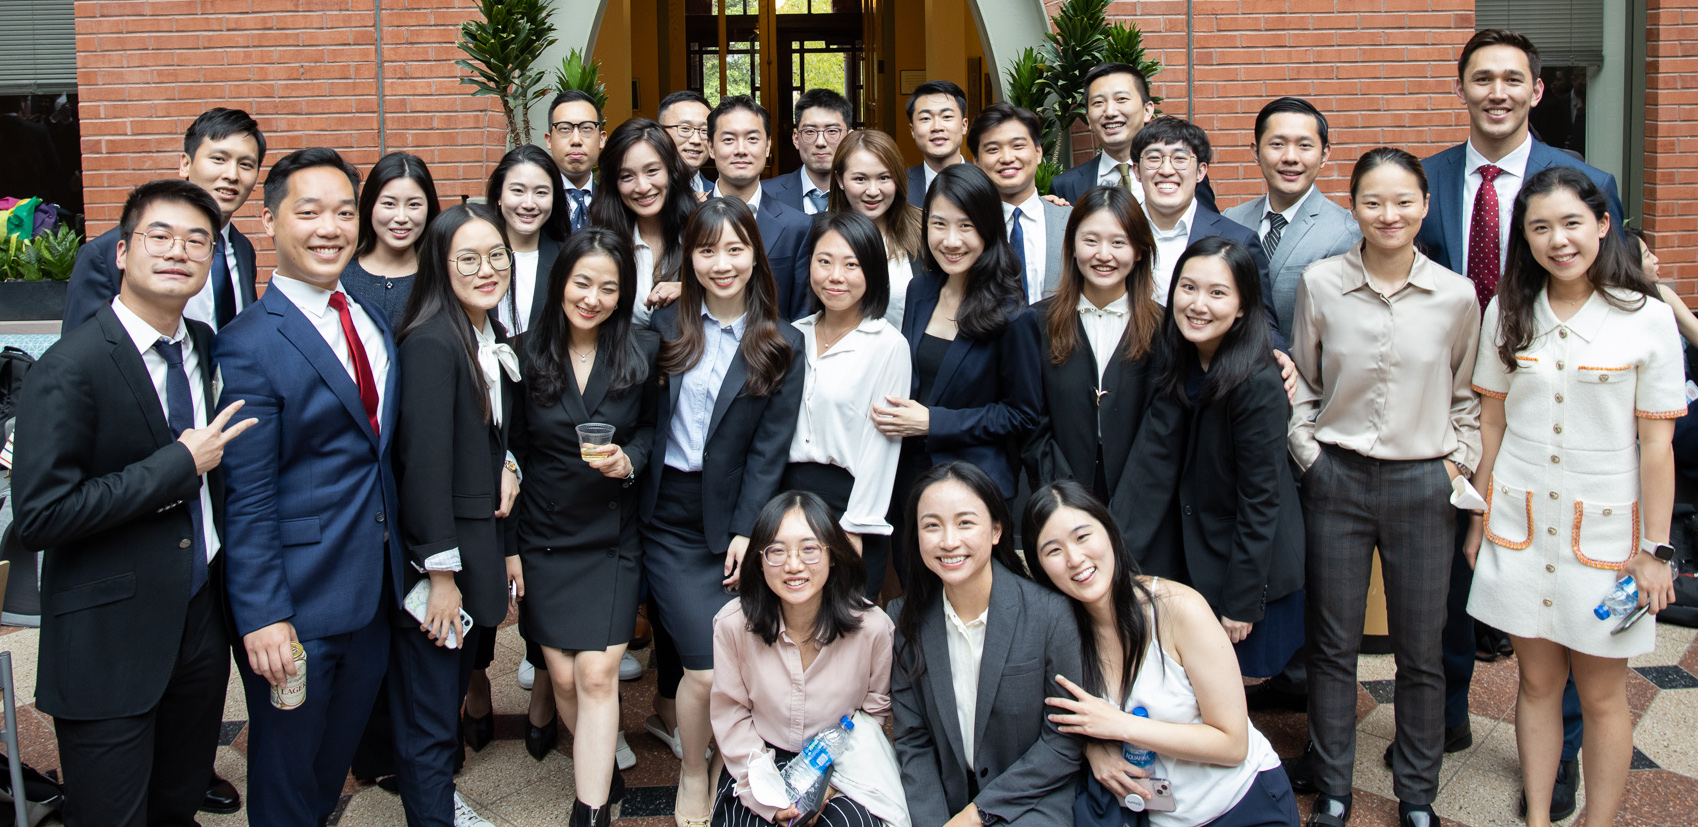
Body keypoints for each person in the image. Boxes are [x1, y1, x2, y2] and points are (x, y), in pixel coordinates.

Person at [1415, 33, 1625, 813]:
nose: (1496, 91)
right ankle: (1446, 718)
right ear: (1462, 87)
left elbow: (1610, 291)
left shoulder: (1586, 181)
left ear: (1537, 90)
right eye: (1481, 78)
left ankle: (1561, 753)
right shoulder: (1427, 178)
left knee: (1562, 599)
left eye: (1512, 79)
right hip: (1443, 413)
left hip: (1546, 421)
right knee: (1445, 576)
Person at [11, 180, 258, 827]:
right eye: (160, 235)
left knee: (176, 805)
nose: (179, 250)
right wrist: (176, 465)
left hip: (198, 624)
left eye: (196, 240)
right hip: (108, 641)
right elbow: (39, 514)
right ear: (121, 252)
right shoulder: (70, 366)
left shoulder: (205, 346)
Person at [1466, 166, 1683, 827]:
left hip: (1609, 544)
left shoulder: (1645, 317)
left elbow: (1656, 447)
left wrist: (1654, 551)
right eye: (1540, 227)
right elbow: (1492, 423)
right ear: (1524, 239)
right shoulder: (1508, 308)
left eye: (1570, 223)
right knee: (1533, 683)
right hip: (1520, 528)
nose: (1558, 240)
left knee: (1603, 695)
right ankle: (1537, 816)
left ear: (1602, 224)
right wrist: (1478, 520)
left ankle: (1596, 819)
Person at [1287, 148, 1482, 827]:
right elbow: (1304, 386)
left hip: (1423, 485)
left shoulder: (1457, 295)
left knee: (1421, 651)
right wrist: (1309, 453)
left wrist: (1455, 467)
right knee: (1333, 644)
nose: (1389, 214)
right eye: (1373, 201)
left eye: (1403, 201)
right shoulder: (1320, 283)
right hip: (1336, 478)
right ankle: (1334, 784)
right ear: (1356, 208)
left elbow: (1468, 400)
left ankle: (1418, 794)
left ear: (1425, 205)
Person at [215, 148, 406, 827]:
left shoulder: (366, 318)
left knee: (329, 768)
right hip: (297, 610)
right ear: (269, 221)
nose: (331, 227)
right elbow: (250, 493)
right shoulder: (248, 344)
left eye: (345, 212)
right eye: (309, 211)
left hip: (372, 596)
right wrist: (263, 614)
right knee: (285, 778)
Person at [641, 197, 806, 826]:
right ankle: (692, 768)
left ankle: (730, 760)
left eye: (735, 248)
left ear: (754, 256)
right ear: (690, 257)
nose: (721, 263)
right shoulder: (660, 329)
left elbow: (770, 451)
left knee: (747, 658)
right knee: (705, 670)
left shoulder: (781, 342)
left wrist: (747, 529)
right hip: (668, 519)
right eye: (707, 250)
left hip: (734, 521)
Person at [1021, 481, 1299, 827]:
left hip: (1241, 804)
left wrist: (1123, 726)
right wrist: (1093, 750)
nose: (1075, 559)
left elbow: (1232, 744)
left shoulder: (1178, 609)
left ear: (1109, 533)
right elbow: (1055, 722)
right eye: (1053, 550)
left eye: (1082, 536)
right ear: (1040, 566)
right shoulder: (1060, 632)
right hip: (1156, 818)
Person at [516, 228, 662, 827]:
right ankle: (602, 766)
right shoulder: (522, 353)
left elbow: (654, 430)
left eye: (609, 287)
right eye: (582, 283)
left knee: (598, 672)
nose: (593, 297)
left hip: (612, 538)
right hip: (546, 535)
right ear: (560, 284)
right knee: (566, 681)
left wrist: (631, 460)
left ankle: (591, 808)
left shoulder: (643, 350)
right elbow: (509, 445)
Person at [387, 203, 521, 827]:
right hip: (446, 560)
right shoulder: (433, 341)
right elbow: (422, 466)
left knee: (448, 684)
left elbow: (489, 437)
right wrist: (439, 575)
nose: (487, 268)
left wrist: (511, 466)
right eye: (468, 258)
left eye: (496, 254)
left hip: (478, 539)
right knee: (433, 700)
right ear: (440, 266)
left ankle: (438, 803)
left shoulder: (482, 331)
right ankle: (434, 813)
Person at [873, 164, 1042, 590]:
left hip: (974, 489)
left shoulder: (1012, 313)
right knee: (916, 604)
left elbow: (1022, 415)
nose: (951, 240)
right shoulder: (921, 290)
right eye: (939, 225)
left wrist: (934, 421)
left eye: (966, 226)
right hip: (911, 483)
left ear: (987, 228)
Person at [888, 461, 1083, 827]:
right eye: (932, 525)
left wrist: (975, 816)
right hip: (947, 805)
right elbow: (913, 741)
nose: (948, 541)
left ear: (996, 529)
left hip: (1032, 803)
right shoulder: (905, 618)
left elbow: (1063, 740)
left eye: (965, 522)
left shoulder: (1050, 613)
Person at [1151, 237, 1305, 678]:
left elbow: (1262, 501)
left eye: (1218, 293)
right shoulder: (1181, 359)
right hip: (1198, 552)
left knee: (1233, 698)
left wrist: (1241, 600)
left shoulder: (1258, 381)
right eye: (1188, 288)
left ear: (1242, 306)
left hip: (1248, 570)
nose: (1198, 304)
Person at [1021, 185, 1181, 575]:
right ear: (1072, 247)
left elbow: (1164, 432)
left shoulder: (1167, 329)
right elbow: (1032, 426)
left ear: (1140, 250)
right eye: (1090, 240)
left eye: (1118, 242)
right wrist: (1068, 507)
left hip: (1145, 513)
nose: (1103, 255)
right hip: (1059, 505)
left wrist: (1122, 523)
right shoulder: (1035, 323)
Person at [709, 491, 894, 827]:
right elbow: (732, 716)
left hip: (840, 763)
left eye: (809, 549)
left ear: (833, 555)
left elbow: (873, 713)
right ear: (760, 560)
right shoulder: (733, 625)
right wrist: (768, 796)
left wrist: (832, 786)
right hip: (760, 756)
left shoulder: (873, 629)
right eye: (777, 552)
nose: (793, 565)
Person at [784, 211, 909, 595]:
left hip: (850, 505)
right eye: (824, 262)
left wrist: (856, 524)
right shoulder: (792, 337)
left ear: (872, 271)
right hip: (785, 504)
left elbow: (882, 446)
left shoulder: (887, 345)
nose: (835, 276)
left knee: (846, 634)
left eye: (851, 264)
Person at [65, 107, 266, 335]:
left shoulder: (242, 249)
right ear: (185, 164)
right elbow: (80, 351)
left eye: (246, 165)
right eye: (219, 159)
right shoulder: (106, 252)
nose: (232, 175)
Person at [1222, 97, 1360, 334]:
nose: (1290, 157)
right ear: (1255, 152)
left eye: (1305, 146)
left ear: (1325, 154)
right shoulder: (1231, 219)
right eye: (1277, 144)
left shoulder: (1346, 232)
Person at [1130, 119, 1271, 320]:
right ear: (1136, 170)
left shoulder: (1239, 240)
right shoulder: (1116, 231)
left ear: (1200, 172)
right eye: (1154, 158)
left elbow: (1262, 320)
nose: (1166, 170)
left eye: (1180, 159)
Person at [1049, 63, 1218, 212]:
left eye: (1121, 99)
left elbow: (1209, 230)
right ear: (1088, 119)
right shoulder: (1065, 185)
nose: (1110, 112)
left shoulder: (1181, 173)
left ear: (1147, 110)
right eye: (1098, 102)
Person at [707, 95, 814, 320]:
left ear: (767, 147)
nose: (741, 150)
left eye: (752, 139)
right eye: (728, 140)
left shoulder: (798, 227)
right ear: (710, 147)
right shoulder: (685, 216)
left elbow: (801, 314)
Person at [590, 118, 699, 328]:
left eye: (652, 171)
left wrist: (689, 290)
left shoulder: (701, 232)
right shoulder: (599, 242)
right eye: (627, 176)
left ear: (671, 171)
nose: (642, 187)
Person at [969, 103, 1070, 305]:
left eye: (1018, 146)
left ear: (1038, 153)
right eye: (993, 149)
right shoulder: (968, 228)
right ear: (976, 162)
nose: (1007, 158)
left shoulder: (1072, 221)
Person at [829, 128, 923, 327]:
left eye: (884, 178)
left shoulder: (923, 229)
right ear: (840, 180)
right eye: (860, 179)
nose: (873, 191)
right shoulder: (821, 234)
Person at [341, 151, 441, 326]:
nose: (401, 217)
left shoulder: (441, 275)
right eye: (389, 204)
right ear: (370, 205)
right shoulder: (340, 274)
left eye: (414, 205)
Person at [489, 144, 568, 336]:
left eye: (541, 192)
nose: (529, 204)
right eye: (518, 190)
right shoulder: (473, 256)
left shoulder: (567, 260)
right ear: (499, 195)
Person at [763, 88, 852, 214]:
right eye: (810, 131)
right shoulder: (765, 194)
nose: (820, 142)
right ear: (795, 139)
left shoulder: (864, 194)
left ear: (849, 137)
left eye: (832, 131)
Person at [545, 89, 605, 232]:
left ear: (602, 139)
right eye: (565, 129)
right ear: (549, 140)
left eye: (586, 128)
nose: (576, 140)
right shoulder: (534, 203)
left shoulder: (615, 201)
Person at [904, 80, 970, 207]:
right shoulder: (898, 185)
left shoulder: (987, 182)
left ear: (964, 125)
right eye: (925, 119)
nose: (937, 127)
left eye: (947, 117)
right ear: (912, 130)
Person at [659, 90, 715, 194]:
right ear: (660, 132)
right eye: (685, 129)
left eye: (704, 130)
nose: (696, 140)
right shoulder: (644, 194)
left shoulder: (718, 197)